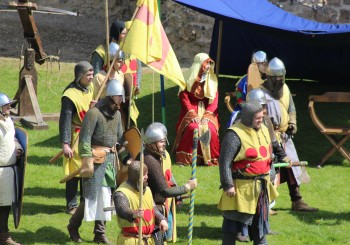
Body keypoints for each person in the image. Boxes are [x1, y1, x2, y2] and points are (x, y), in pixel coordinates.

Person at [67, 79, 131, 243]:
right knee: (90, 196)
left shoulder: (116, 114)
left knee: (105, 196)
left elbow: (118, 140)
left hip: (109, 160)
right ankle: (73, 226)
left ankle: (99, 233)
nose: (121, 101)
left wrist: (126, 158)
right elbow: (84, 139)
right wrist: (88, 159)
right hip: (95, 159)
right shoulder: (94, 113)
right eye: (119, 97)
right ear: (110, 96)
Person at [260, 57, 318, 212]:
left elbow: (291, 109)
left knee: (293, 168)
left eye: (281, 78)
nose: (279, 81)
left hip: (285, 136)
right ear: (269, 77)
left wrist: (292, 124)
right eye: (276, 78)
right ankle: (266, 203)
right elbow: (262, 117)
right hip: (269, 137)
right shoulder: (260, 93)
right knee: (271, 170)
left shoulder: (285, 89)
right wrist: (272, 137)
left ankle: (297, 200)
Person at [218, 101, 279, 245]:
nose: (261, 120)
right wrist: (228, 184)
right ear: (247, 117)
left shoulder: (264, 128)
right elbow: (224, 162)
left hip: (261, 188)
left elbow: (268, 154)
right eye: (257, 118)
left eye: (261, 116)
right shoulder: (234, 134)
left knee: (260, 227)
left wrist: (271, 174)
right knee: (231, 227)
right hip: (240, 189)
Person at [143, 122, 197, 244]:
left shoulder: (159, 155)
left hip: (160, 206)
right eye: (161, 141)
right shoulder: (149, 160)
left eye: (164, 140)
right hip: (151, 208)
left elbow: (169, 176)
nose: (165, 144)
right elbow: (164, 191)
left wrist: (177, 194)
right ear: (152, 143)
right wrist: (187, 187)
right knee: (156, 241)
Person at [59, 61, 94, 215]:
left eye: (92, 74)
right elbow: (65, 120)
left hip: (88, 136)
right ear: (80, 76)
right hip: (75, 136)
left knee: (86, 169)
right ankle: (72, 205)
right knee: (73, 172)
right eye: (88, 74)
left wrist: (96, 107)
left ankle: (83, 204)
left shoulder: (91, 89)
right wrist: (65, 144)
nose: (91, 77)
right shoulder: (69, 95)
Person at [173, 53, 220, 166]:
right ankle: (187, 158)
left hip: (208, 111)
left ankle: (210, 158)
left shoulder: (212, 80)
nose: (208, 66)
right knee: (192, 128)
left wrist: (207, 117)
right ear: (199, 65)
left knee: (210, 129)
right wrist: (193, 115)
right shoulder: (187, 79)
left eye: (209, 63)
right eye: (206, 64)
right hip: (190, 110)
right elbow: (184, 98)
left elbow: (214, 101)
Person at [113, 161, 168, 245]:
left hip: (149, 240)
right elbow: (122, 210)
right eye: (144, 175)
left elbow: (153, 208)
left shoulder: (148, 190)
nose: (147, 177)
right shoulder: (122, 193)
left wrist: (161, 219)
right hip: (131, 240)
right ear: (136, 176)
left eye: (147, 174)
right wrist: (134, 214)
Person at [0, 93, 23, 245]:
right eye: (6, 105)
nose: (9, 107)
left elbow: (13, 138)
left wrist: (18, 147)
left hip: (9, 171)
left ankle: (3, 234)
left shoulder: (9, 121)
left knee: (6, 204)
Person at [227, 50, 268, 127]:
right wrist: (242, 103)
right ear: (256, 64)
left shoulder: (265, 81)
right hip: (243, 109)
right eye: (262, 63)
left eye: (265, 63)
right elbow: (239, 92)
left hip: (262, 111)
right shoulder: (245, 79)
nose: (264, 65)